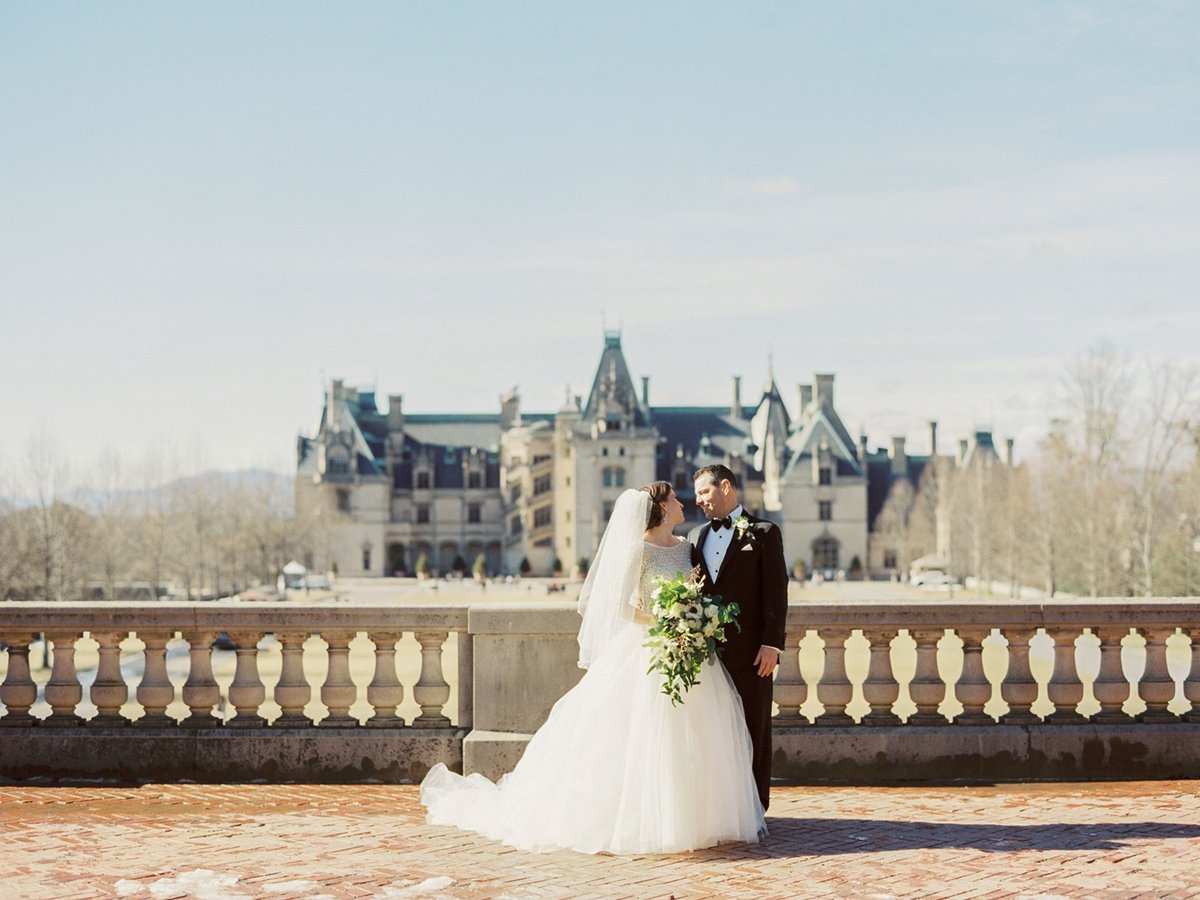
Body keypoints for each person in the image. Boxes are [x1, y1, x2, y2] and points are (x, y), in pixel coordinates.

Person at [420, 482, 765, 855]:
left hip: (689, 649)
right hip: (650, 646)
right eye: (674, 500)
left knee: (695, 735)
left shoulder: (686, 546)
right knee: (645, 736)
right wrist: (664, 620)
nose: (683, 502)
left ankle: (696, 817)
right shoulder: (638, 551)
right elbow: (620, 603)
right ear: (662, 509)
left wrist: (692, 620)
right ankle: (648, 819)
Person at [689, 464, 788, 811]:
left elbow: (776, 593)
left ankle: (756, 806)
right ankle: (722, 808)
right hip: (708, 655)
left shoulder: (764, 532)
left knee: (754, 727)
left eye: (704, 491)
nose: (699, 500)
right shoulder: (695, 536)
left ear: (726, 486)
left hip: (753, 653)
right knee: (713, 731)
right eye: (697, 494)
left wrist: (772, 644)